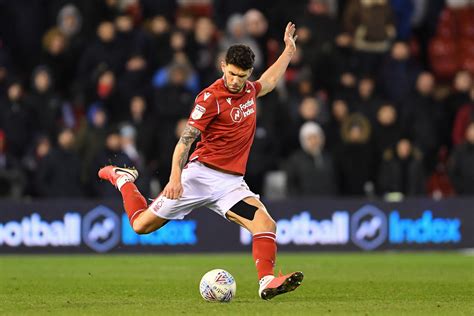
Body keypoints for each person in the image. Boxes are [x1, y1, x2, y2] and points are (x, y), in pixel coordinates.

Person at [98, 22, 303, 300]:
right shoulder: (209, 99)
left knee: (266, 225)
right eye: (231, 74)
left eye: (241, 76)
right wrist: (174, 177)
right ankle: (122, 178)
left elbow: (268, 82)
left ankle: (266, 281)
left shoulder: (248, 91)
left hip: (231, 184)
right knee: (140, 226)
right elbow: (185, 140)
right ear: (222, 66)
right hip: (198, 176)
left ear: (248, 74)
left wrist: (288, 51)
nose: (234, 80)